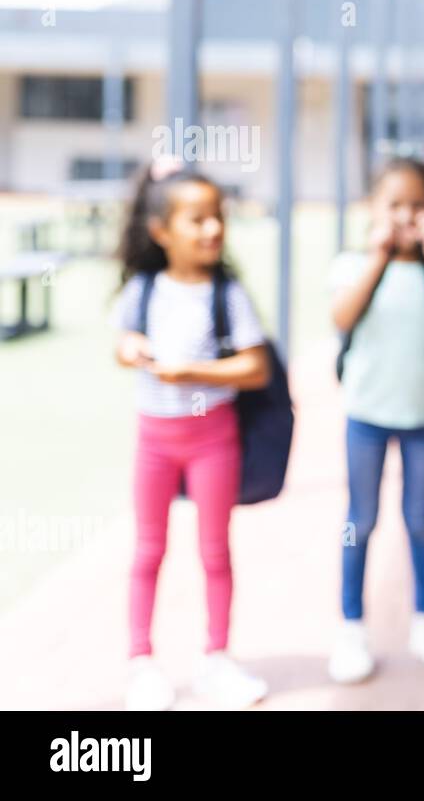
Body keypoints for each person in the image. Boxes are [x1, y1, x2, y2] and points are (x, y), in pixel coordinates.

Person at [111, 155, 271, 710]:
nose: (212, 229)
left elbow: (256, 368)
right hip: (154, 440)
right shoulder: (144, 290)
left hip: (213, 439)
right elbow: (122, 343)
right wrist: (132, 349)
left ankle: (216, 660)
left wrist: (192, 373)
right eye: (196, 219)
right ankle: (142, 663)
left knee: (213, 551)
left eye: (217, 217)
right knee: (148, 550)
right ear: (161, 232)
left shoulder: (229, 294)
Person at [326, 156, 424, 683]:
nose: (406, 216)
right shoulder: (353, 264)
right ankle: (351, 629)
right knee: (360, 522)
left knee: (419, 520)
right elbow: (341, 317)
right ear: (373, 209)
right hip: (366, 419)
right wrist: (377, 256)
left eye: (418, 206)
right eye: (394, 205)